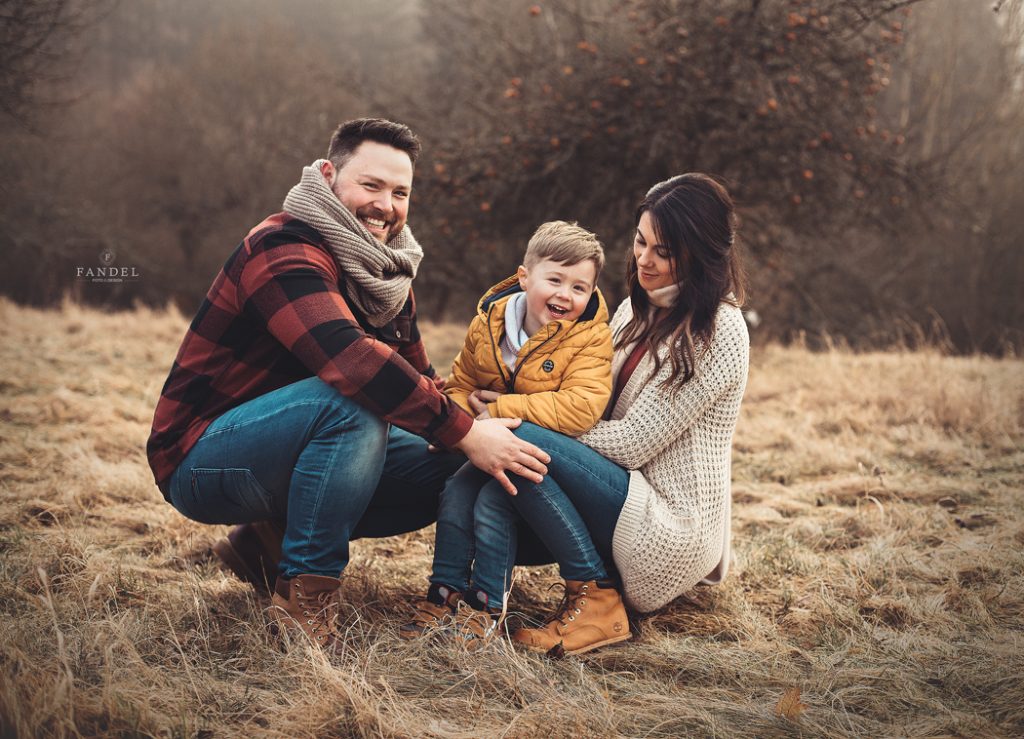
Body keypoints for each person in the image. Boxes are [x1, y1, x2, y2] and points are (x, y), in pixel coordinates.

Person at [146, 118, 550, 648]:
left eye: (400, 192)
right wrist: (466, 432)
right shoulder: (281, 247)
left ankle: (268, 540)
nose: (386, 205)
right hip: (201, 460)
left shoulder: (384, 273)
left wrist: (472, 411)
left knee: (449, 459)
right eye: (371, 185)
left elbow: (416, 375)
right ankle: (304, 602)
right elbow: (353, 362)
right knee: (355, 404)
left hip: (286, 452)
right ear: (329, 175)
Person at [451, 173, 750, 655]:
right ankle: (479, 608)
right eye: (640, 241)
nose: (644, 259)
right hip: (619, 493)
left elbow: (631, 443)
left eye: (664, 251)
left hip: (668, 525)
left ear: (701, 252)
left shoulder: (719, 330)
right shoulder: (633, 311)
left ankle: (597, 600)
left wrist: (512, 418)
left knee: (521, 441)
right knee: (500, 483)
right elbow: (579, 399)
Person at [399, 221, 614, 640]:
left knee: (494, 499)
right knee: (457, 491)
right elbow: (460, 386)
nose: (565, 295)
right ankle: (443, 594)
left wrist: (499, 409)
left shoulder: (590, 337)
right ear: (524, 277)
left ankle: (486, 608)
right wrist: (463, 423)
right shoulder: (488, 324)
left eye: (579, 288)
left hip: (548, 458)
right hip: (491, 445)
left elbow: (582, 406)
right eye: (555, 280)